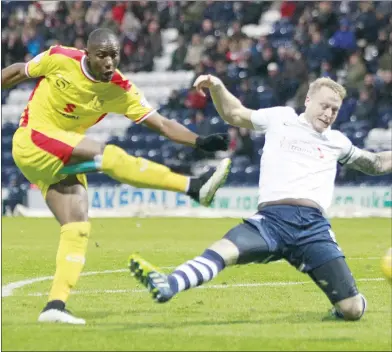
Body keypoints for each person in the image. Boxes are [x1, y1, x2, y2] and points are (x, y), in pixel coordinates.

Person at [1, 28, 232, 325]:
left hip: (57, 160)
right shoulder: (60, 58)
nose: (110, 62)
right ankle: (192, 187)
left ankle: (55, 306)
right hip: (32, 140)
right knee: (105, 154)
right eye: (102, 56)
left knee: (77, 226)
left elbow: (160, 123)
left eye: (114, 55)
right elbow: (20, 72)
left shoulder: (120, 88)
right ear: (88, 55)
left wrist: (198, 142)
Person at [129, 74, 392, 322]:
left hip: (314, 229)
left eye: (334, 110)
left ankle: (346, 305)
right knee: (224, 251)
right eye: (325, 106)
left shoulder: (337, 141)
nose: (328, 114)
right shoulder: (281, 117)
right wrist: (218, 87)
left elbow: (376, 163)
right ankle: (168, 284)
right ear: (309, 101)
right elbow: (235, 113)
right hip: (270, 221)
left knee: (352, 309)